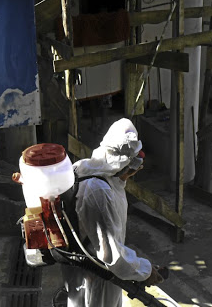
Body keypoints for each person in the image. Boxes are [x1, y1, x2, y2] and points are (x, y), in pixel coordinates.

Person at [61, 118, 164, 307]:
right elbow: (111, 255)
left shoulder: (87, 167)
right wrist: (145, 271)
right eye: (132, 168)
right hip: (97, 274)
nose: (133, 172)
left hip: (91, 266)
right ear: (123, 164)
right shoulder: (99, 191)